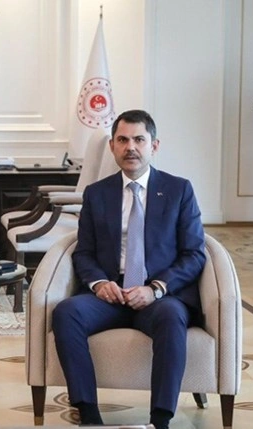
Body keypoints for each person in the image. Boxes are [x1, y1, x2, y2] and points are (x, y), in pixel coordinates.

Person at [52, 110, 206, 429]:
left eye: (139, 140)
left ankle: (160, 420)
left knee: (172, 316)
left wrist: (156, 289)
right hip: (110, 294)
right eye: (122, 140)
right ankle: (89, 417)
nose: (130, 147)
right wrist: (98, 283)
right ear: (112, 146)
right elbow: (84, 252)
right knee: (66, 312)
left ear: (154, 145)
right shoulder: (97, 193)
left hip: (158, 295)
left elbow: (194, 254)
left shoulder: (179, 190)